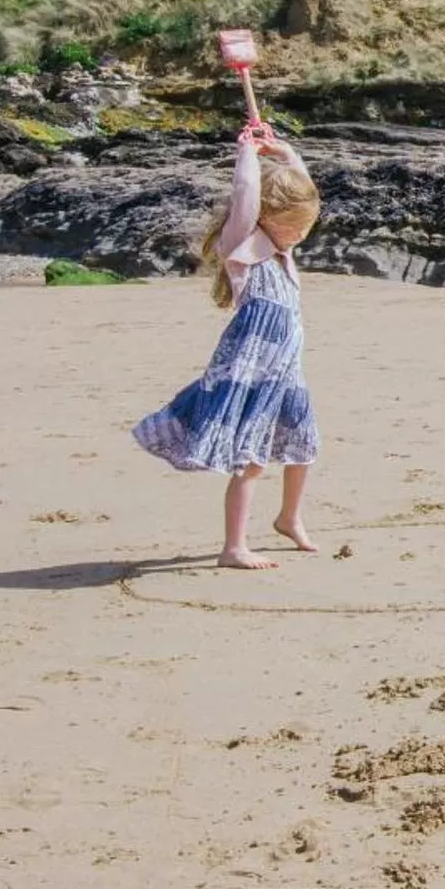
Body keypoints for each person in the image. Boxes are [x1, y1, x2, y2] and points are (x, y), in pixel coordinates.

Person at [133, 124, 324, 569]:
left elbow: (303, 191)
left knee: (304, 444)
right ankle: (233, 547)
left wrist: (286, 151)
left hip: (285, 370)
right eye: (294, 226)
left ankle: (288, 518)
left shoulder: (283, 249)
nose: (300, 235)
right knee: (252, 458)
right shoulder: (245, 247)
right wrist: (248, 154)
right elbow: (246, 195)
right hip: (251, 371)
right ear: (266, 218)